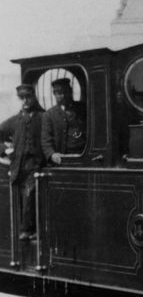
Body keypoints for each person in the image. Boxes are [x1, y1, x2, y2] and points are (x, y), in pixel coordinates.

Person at [0, 84, 46, 241]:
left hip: (38, 165)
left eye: (28, 97)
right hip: (19, 166)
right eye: (22, 98)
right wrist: (5, 151)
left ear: (34, 96)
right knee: (21, 197)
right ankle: (25, 230)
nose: (25, 101)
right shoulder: (15, 121)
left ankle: (27, 230)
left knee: (31, 193)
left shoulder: (43, 117)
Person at [42, 77, 86, 165]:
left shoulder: (83, 108)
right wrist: (52, 154)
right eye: (59, 93)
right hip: (62, 160)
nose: (64, 96)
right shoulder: (49, 115)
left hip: (83, 156)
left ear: (71, 92)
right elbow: (46, 140)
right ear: (54, 94)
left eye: (66, 92)